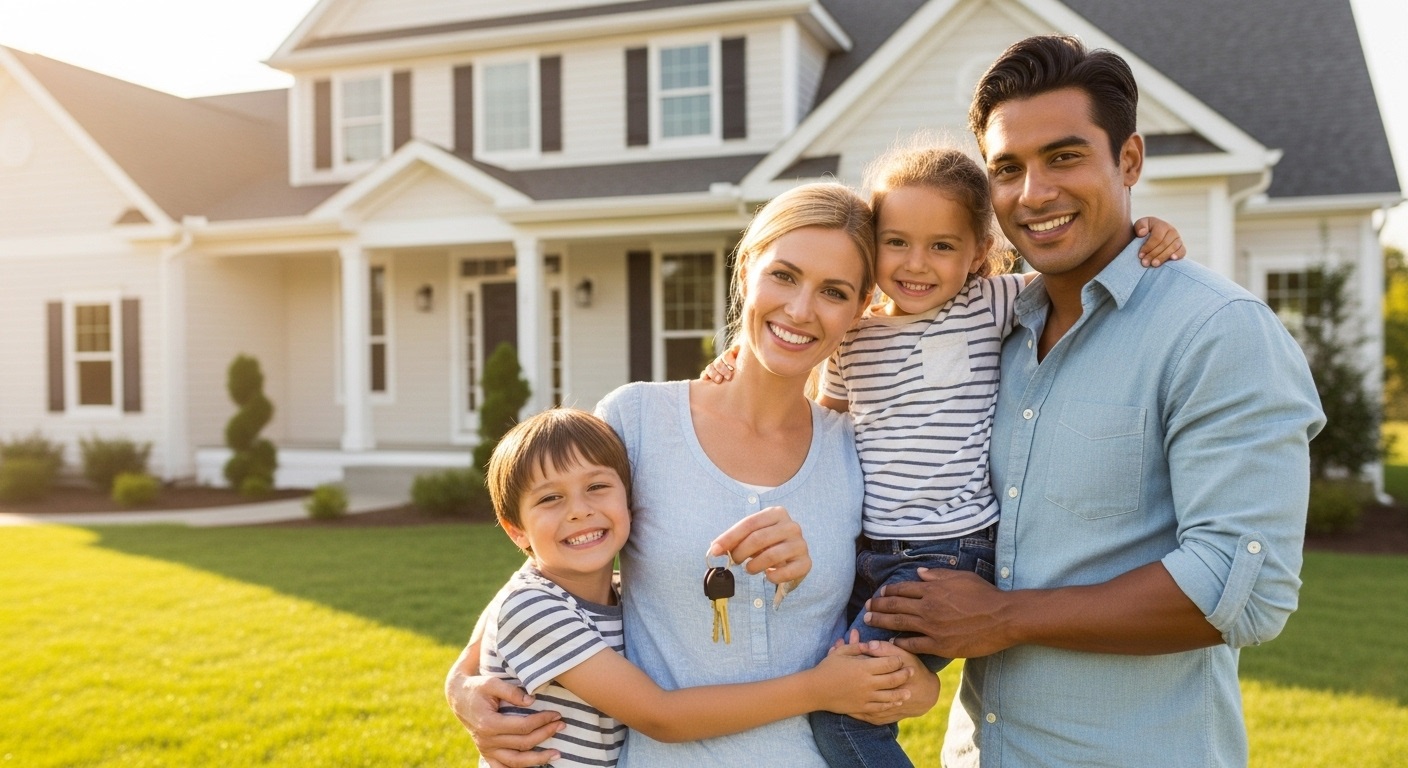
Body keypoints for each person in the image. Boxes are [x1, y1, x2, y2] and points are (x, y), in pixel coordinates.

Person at [863, 35, 1325, 767]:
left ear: (1130, 160)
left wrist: (1002, 619)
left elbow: (1244, 583)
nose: (1033, 192)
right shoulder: (992, 331)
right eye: (1007, 169)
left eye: (1065, 157)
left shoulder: (1215, 332)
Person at [703, 139, 1184, 768]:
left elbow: (1085, 265)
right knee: (815, 673)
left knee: (842, 707)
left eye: (943, 246)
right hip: (866, 553)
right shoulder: (853, 335)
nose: (916, 264)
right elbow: (819, 416)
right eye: (896, 241)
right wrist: (738, 356)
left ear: (979, 253)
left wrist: (1150, 231)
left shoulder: (990, 304)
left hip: (945, 555)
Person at [447, 182, 941, 767]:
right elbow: (544, 570)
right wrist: (462, 680)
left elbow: (900, 642)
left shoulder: (855, 449)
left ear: (858, 309)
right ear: (746, 274)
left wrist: (918, 688)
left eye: (833, 291)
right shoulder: (637, 418)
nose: (801, 309)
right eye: (783, 276)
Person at [467, 407, 912, 767]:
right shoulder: (532, 608)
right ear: (515, 531)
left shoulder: (622, 595)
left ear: (631, 496)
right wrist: (819, 688)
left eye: (597, 487)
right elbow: (659, 716)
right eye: (550, 498)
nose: (580, 511)